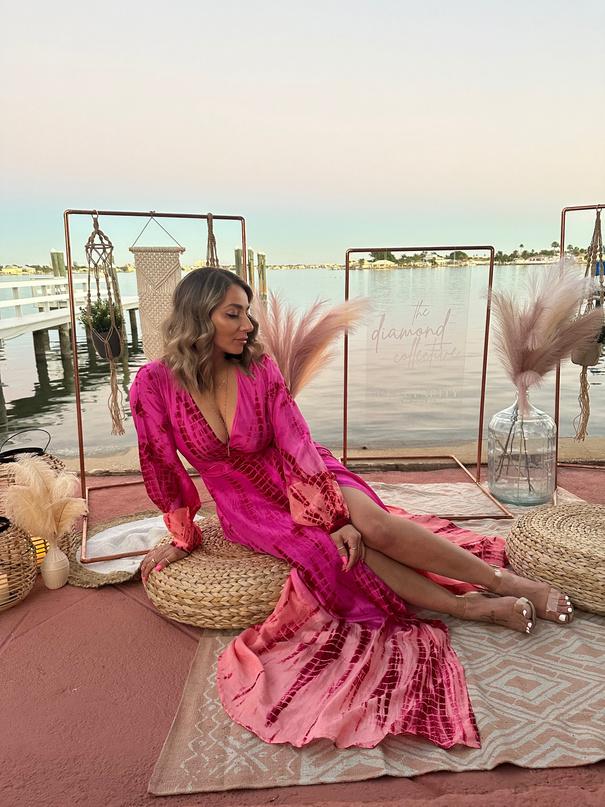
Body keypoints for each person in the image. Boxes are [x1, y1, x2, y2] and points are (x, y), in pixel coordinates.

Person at [130, 267, 573, 751]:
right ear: (199, 317)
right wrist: (183, 536)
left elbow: (295, 441)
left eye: (247, 313)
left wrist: (333, 514)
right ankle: (466, 607)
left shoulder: (259, 367)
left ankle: (500, 582)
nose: (248, 326)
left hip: (303, 471)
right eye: (233, 315)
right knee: (337, 553)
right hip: (248, 507)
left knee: (374, 526)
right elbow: (160, 464)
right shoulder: (153, 384)